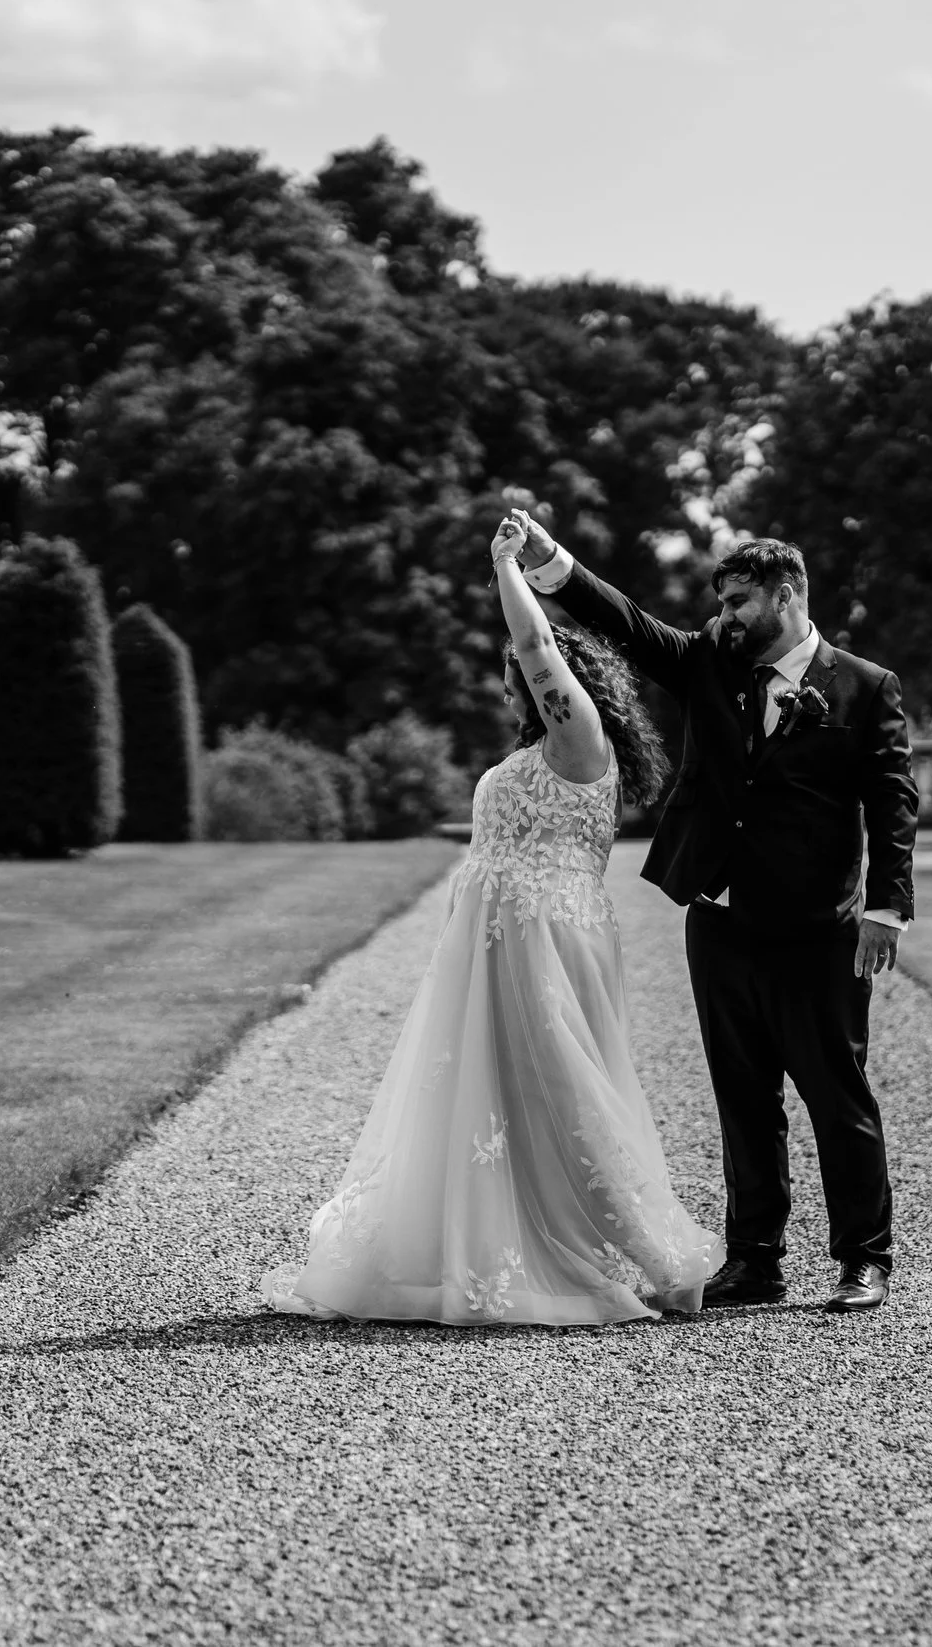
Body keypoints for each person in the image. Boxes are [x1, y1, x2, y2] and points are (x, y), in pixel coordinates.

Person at [260, 513, 722, 1324]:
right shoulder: (531, 752)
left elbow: (540, 649)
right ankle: (480, 1238)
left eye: (518, 675)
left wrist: (509, 566)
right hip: (496, 942)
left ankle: (663, 1257)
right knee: (502, 1097)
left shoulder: (579, 744)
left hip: (543, 938)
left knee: (568, 1089)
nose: (513, 683)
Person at [507, 511, 918, 1315]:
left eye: (737, 601)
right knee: (743, 1096)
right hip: (721, 920)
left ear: (787, 594)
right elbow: (620, 619)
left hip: (817, 930)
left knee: (837, 1095)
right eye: (721, 602)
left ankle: (864, 1259)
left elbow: (892, 803)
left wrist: (888, 909)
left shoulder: (865, 687)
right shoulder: (708, 664)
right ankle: (755, 1259)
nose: (723, 616)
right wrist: (545, 558)